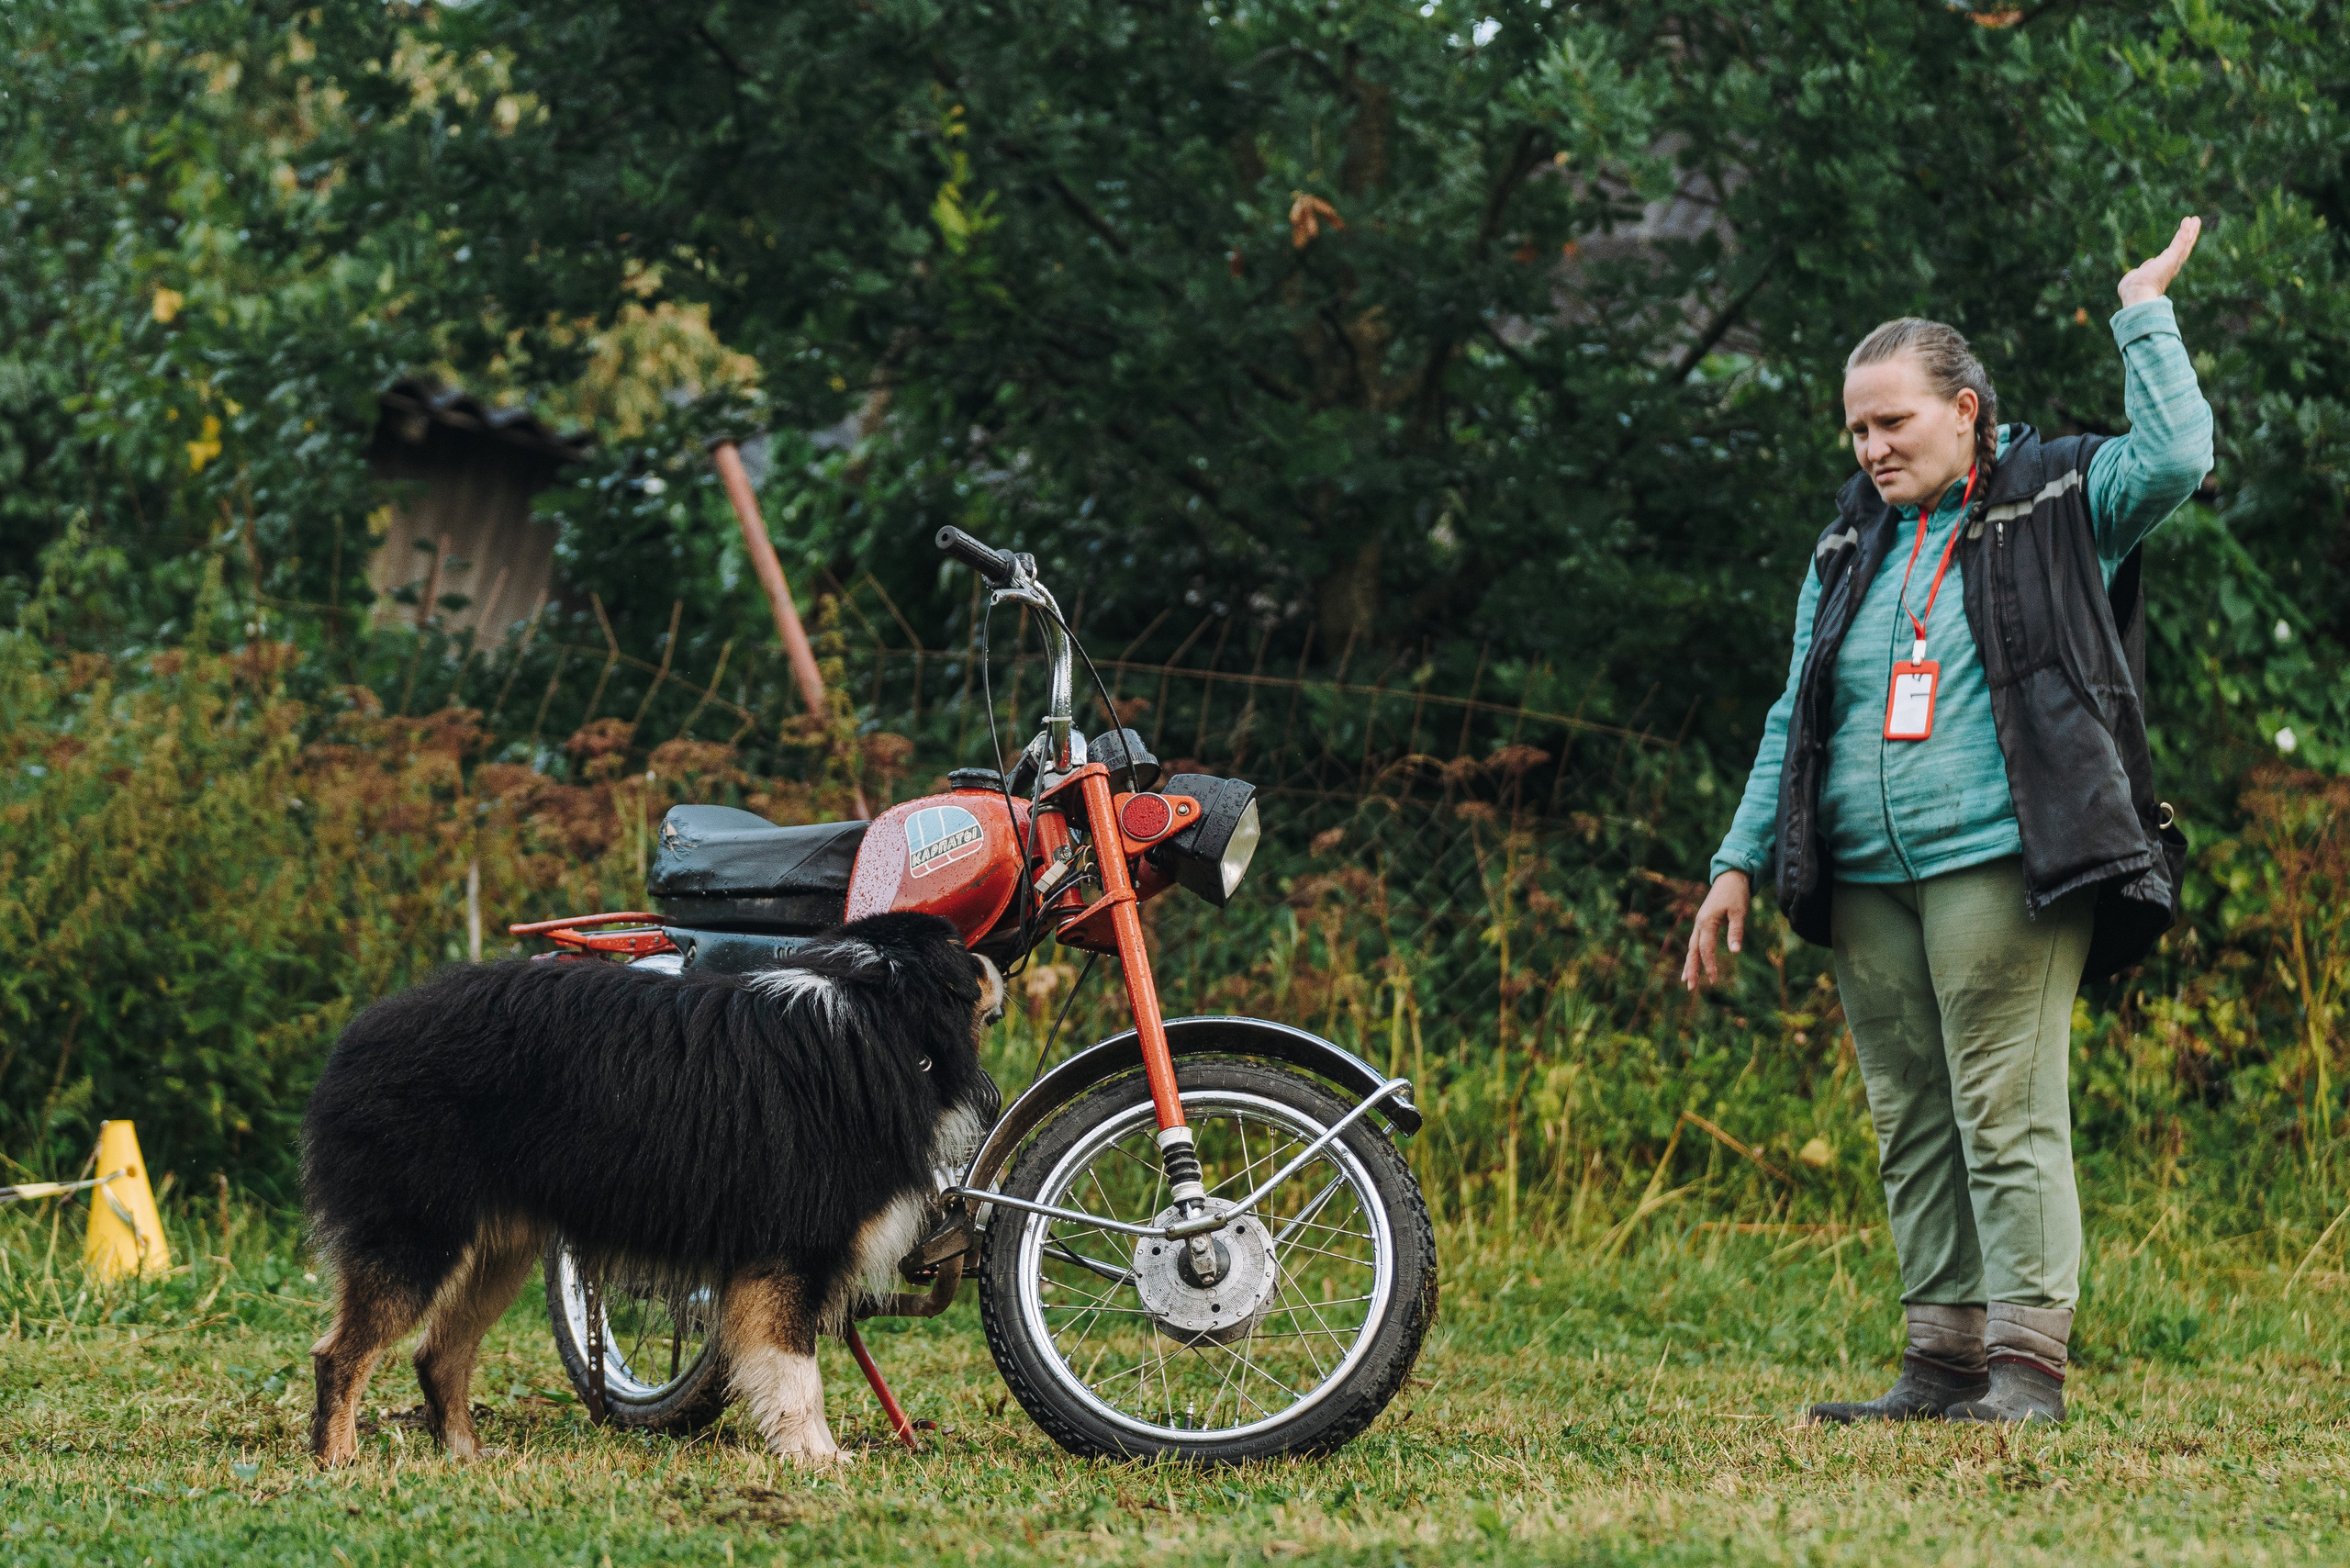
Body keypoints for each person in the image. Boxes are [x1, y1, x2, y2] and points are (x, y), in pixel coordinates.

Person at [1682, 218, 2213, 1425]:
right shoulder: (1847, 540)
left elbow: (2178, 456)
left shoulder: (2064, 497)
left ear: (1966, 409)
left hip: (2007, 860)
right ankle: (1940, 1364)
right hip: (1864, 878)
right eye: (1858, 429)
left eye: (1894, 422)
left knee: (2002, 1106)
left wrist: (2142, 309)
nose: (1871, 448)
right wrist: (1737, 861)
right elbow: (1794, 710)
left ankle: (2026, 1372)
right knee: (1908, 1113)